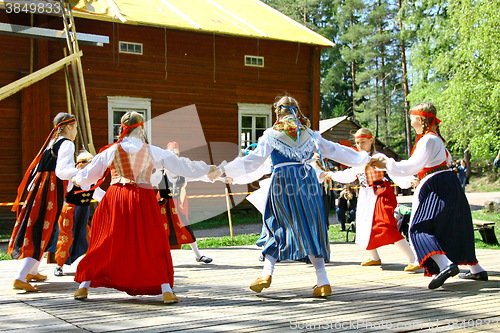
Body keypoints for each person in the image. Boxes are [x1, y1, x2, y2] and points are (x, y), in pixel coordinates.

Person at [215, 95, 371, 297]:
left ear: (277, 112)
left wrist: (226, 171)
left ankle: (267, 273)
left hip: (283, 183)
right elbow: (335, 150)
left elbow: (253, 161)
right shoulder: (310, 134)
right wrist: (364, 158)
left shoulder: (272, 134)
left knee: (275, 224)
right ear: (297, 111)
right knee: (311, 226)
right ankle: (323, 280)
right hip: (307, 182)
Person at [71, 111, 218, 304]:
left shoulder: (111, 150)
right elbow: (181, 166)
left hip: (116, 197)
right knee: (152, 241)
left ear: (122, 128)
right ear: (141, 128)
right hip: (143, 198)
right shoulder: (152, 150)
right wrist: (208, 169)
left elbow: (88, 176)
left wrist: (76, 178)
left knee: (106, 240)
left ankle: (83, 286)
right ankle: (165, 290)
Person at [371, 102, 487, 289]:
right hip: (448, 182)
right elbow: (435, 164)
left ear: (419, 119)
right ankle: (477, 270)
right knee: (454, 226)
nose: (410, 123)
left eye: (411, 119)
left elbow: (412, 166)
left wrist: (387, 164)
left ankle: (445, 265)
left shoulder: (427, 140)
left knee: (419, 228)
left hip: (436, 184)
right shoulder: (437, 139)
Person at [326, 128, 419, 271]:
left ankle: (414, 259)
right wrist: (331, 175)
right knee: (364, 225)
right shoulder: (357, 159)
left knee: (386, 225)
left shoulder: (379, 157)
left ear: (371, 140)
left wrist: (409, 180)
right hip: (365, 194)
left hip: (381, 193)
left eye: (363, 142)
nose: (359, 146)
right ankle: (375, 258)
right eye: (357, 143)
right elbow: (349, 175)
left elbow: (394, 171)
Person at [9, 113, 78, 292]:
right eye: (76, 127)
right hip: (51, 190)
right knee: (41, 228)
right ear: (69, 127)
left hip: (40, 190)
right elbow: (63, 171)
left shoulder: (51, 144)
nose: (76, 131)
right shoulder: (67, 144)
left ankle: (32, 271)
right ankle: (20, 277)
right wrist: (78, 173)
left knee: (41, 227)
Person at [158, 141, 212, 264]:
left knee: (185, 227)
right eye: (171, 153)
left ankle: (198, 255)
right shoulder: (160, 171)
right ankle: (160, 258)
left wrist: (219, 176)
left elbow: (200, 175)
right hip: (162, 205)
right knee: (161, 231)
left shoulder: (183, 172)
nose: (174, 156)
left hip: (178, 205)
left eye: (176, 153)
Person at [53, 151, 106, 277]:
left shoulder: (93, 180)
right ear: (80, 164)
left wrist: (114, 199)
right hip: (70, 210)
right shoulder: (73, 176)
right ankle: (59, 265)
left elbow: (99, 195)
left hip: (83, 211)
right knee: (66, 237)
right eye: (89, 163)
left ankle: (92, 264)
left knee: (88, 236)